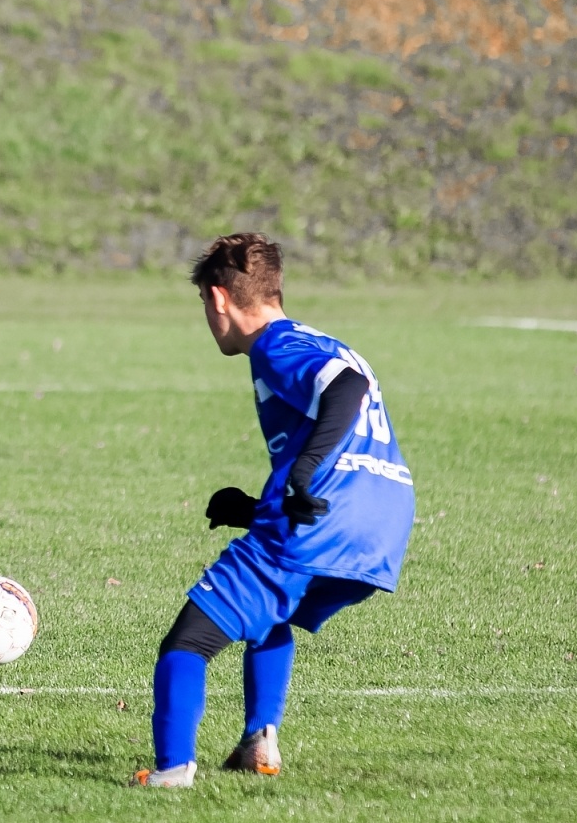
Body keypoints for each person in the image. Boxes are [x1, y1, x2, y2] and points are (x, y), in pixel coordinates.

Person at [134, 233, 415, 787]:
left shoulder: (274, 345)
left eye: (204, 309)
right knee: (270, 615)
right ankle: (259, 745)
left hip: (323, 521)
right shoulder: (324, 340)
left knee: (187, 642)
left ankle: (172, 771)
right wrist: (257, 507)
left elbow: (346, 389)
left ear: (219, 299)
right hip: (382, 518)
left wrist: (305, 469)